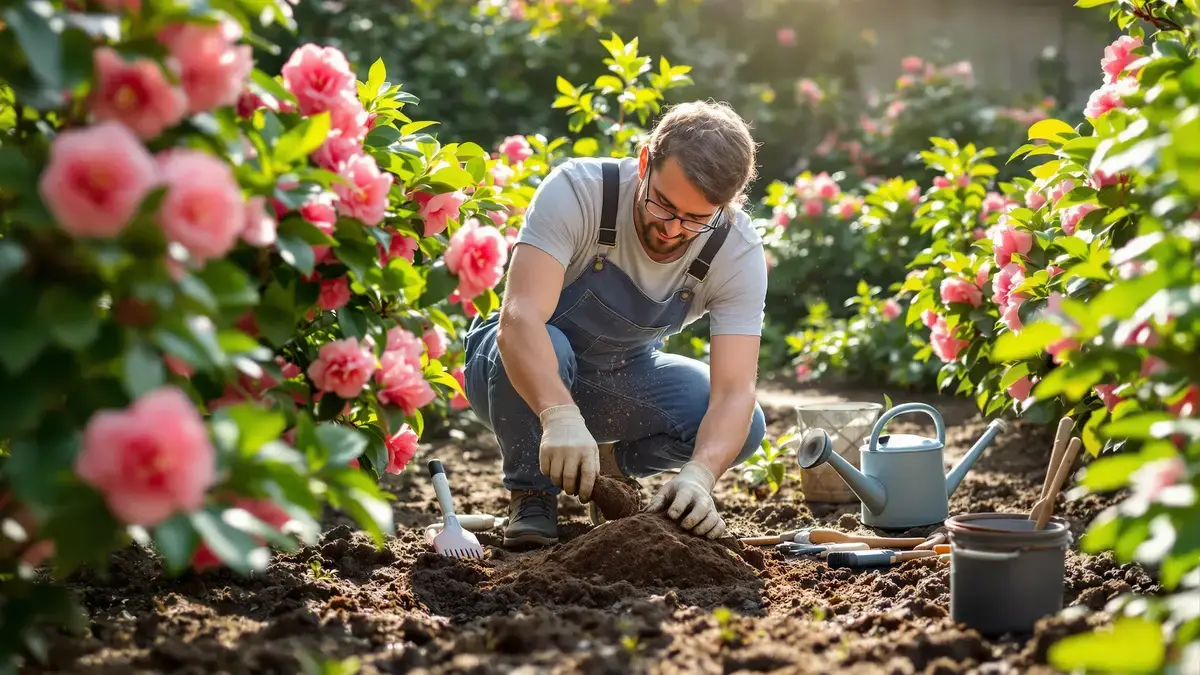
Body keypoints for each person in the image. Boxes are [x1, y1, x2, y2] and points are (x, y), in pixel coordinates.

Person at [461, 100, 768, 548]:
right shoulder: (581, 192)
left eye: (697, 219)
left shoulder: (736, 251)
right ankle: (531, 493)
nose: (672, 229)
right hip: (509, 371)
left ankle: (608, 467)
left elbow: (733, 391)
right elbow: (520, 317)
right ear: (645, 161)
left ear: (728, 204)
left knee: (746, 423)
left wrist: (700, 475)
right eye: (662, 204)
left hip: (616, 381)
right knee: (549, 340)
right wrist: (559, 413)